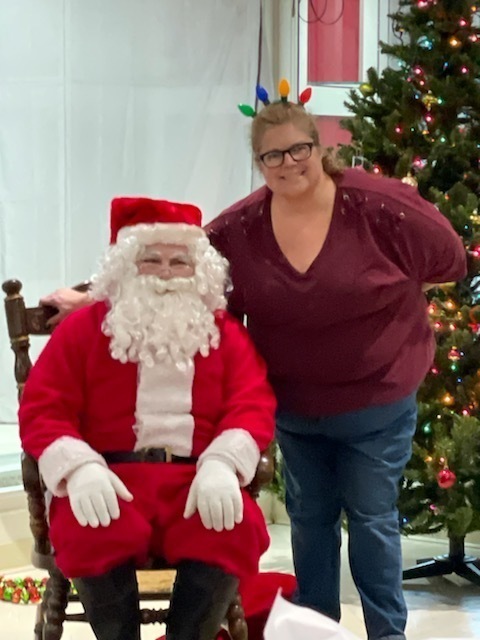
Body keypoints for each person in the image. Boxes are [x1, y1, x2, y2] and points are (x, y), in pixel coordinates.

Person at [40, 84, 467, 640]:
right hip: (295, 410)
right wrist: (92, 300)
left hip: (374, 403)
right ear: (259, 163)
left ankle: (387, 634)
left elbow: (449, 258)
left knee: (371, 520)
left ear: (320, 148)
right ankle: (314, 630)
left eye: (299, 150)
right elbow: (175, 269)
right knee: (311, 523)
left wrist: (390, 308)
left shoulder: (376, 206)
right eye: (273, 154)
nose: (289, 163)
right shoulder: (239, 228)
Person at [19, 196, 276, 640]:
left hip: (195, 480)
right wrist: (78, 469)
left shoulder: (224, 334)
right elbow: (43, 408)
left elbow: (252, 404)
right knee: (89, 530)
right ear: (124, 266)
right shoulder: (82, 332)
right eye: (150, 259)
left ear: (198, 269)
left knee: (233, 529)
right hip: (109, 479)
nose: (165, 273)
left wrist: (223, 463)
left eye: (179, 261)